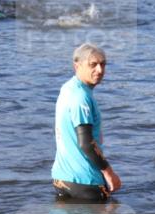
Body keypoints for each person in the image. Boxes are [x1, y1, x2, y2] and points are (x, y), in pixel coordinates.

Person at [52, 44, 122, 202]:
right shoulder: (81, 98)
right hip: (86, 182)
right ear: (77, 66)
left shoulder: (67, 88)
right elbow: (86, 143)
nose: (100, 70)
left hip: (61, 179)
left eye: (102, 64)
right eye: (93, 64)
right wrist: (109, 173)